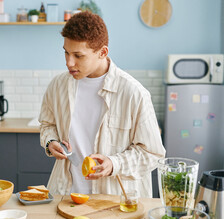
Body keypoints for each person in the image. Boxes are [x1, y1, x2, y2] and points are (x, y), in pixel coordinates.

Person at [38, 11, 165, 198]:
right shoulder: (58, 86)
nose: (69, 62)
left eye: (78, 56)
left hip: (115, 201)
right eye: (66, 52)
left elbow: (153, 154)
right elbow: (47, 125)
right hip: (65, 196)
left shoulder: (133, 93)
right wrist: (51, 142)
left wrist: (115, 164)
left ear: (102, 52)